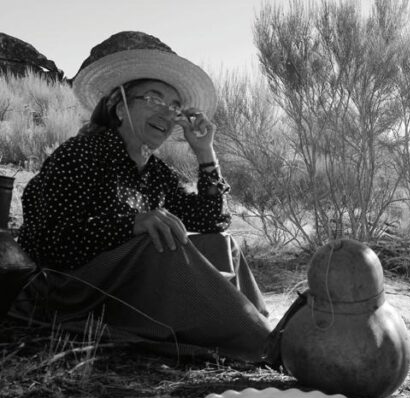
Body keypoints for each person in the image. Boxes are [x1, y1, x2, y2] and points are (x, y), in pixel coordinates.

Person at [10, 31, 277, 364]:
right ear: (120, 107)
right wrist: (133, 224)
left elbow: (213, 220)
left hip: (126, 286)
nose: (167, 113)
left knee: (221, 245)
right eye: (154, 98)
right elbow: (50, 243)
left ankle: (257, 331)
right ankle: (266, 348)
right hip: (71, 291)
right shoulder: (81, 154)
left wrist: (206, 153)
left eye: (176, 106)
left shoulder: (155, 171)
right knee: (161, 242)